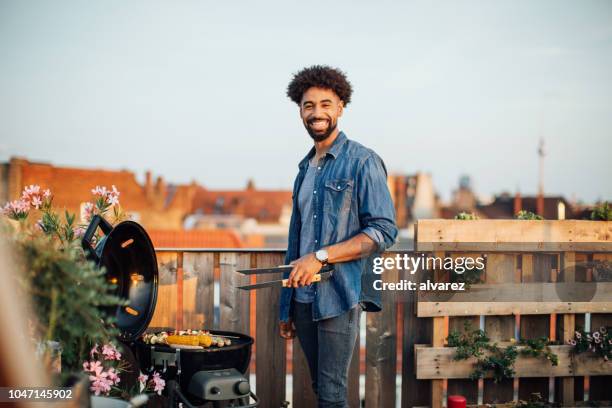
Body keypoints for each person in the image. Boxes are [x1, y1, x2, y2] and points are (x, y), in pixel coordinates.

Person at [279, 65, 398, 407]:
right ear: (300, 110)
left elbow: (383, 230)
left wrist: (320, 257)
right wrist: (286, 308)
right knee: (321, 387)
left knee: (332, 394)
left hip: (339, 296)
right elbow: (296, 242)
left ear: (341, 107)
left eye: (326, 104)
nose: (317, 113)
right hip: (302, 300)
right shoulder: (304, 170)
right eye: (308, 105)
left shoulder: (363, 161)